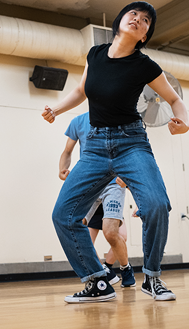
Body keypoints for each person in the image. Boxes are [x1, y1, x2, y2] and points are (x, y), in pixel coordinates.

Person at [43, 1, 189, 303]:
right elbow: (81, 91)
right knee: (64, 214)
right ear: (121, 20)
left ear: (145, 35)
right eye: (133, 14)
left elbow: (175, 100)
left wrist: (183, 123)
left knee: (156, 204)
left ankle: (151, 278)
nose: (138, 19)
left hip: (131, 143)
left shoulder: (145, 65)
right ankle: (97, 281)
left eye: (146, 20)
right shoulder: (95, 54)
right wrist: (56, 110)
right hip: (94, 146)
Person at [60, 112, 135, 288]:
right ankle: (98, 274)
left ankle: (125, 268)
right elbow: (67, 151)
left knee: (111, 232)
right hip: (89, 181)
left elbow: (129, 151)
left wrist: (128, 179)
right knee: (79, 228)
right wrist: (62, 168)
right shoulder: (78, 122)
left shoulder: (117, 117)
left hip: (113, 183)